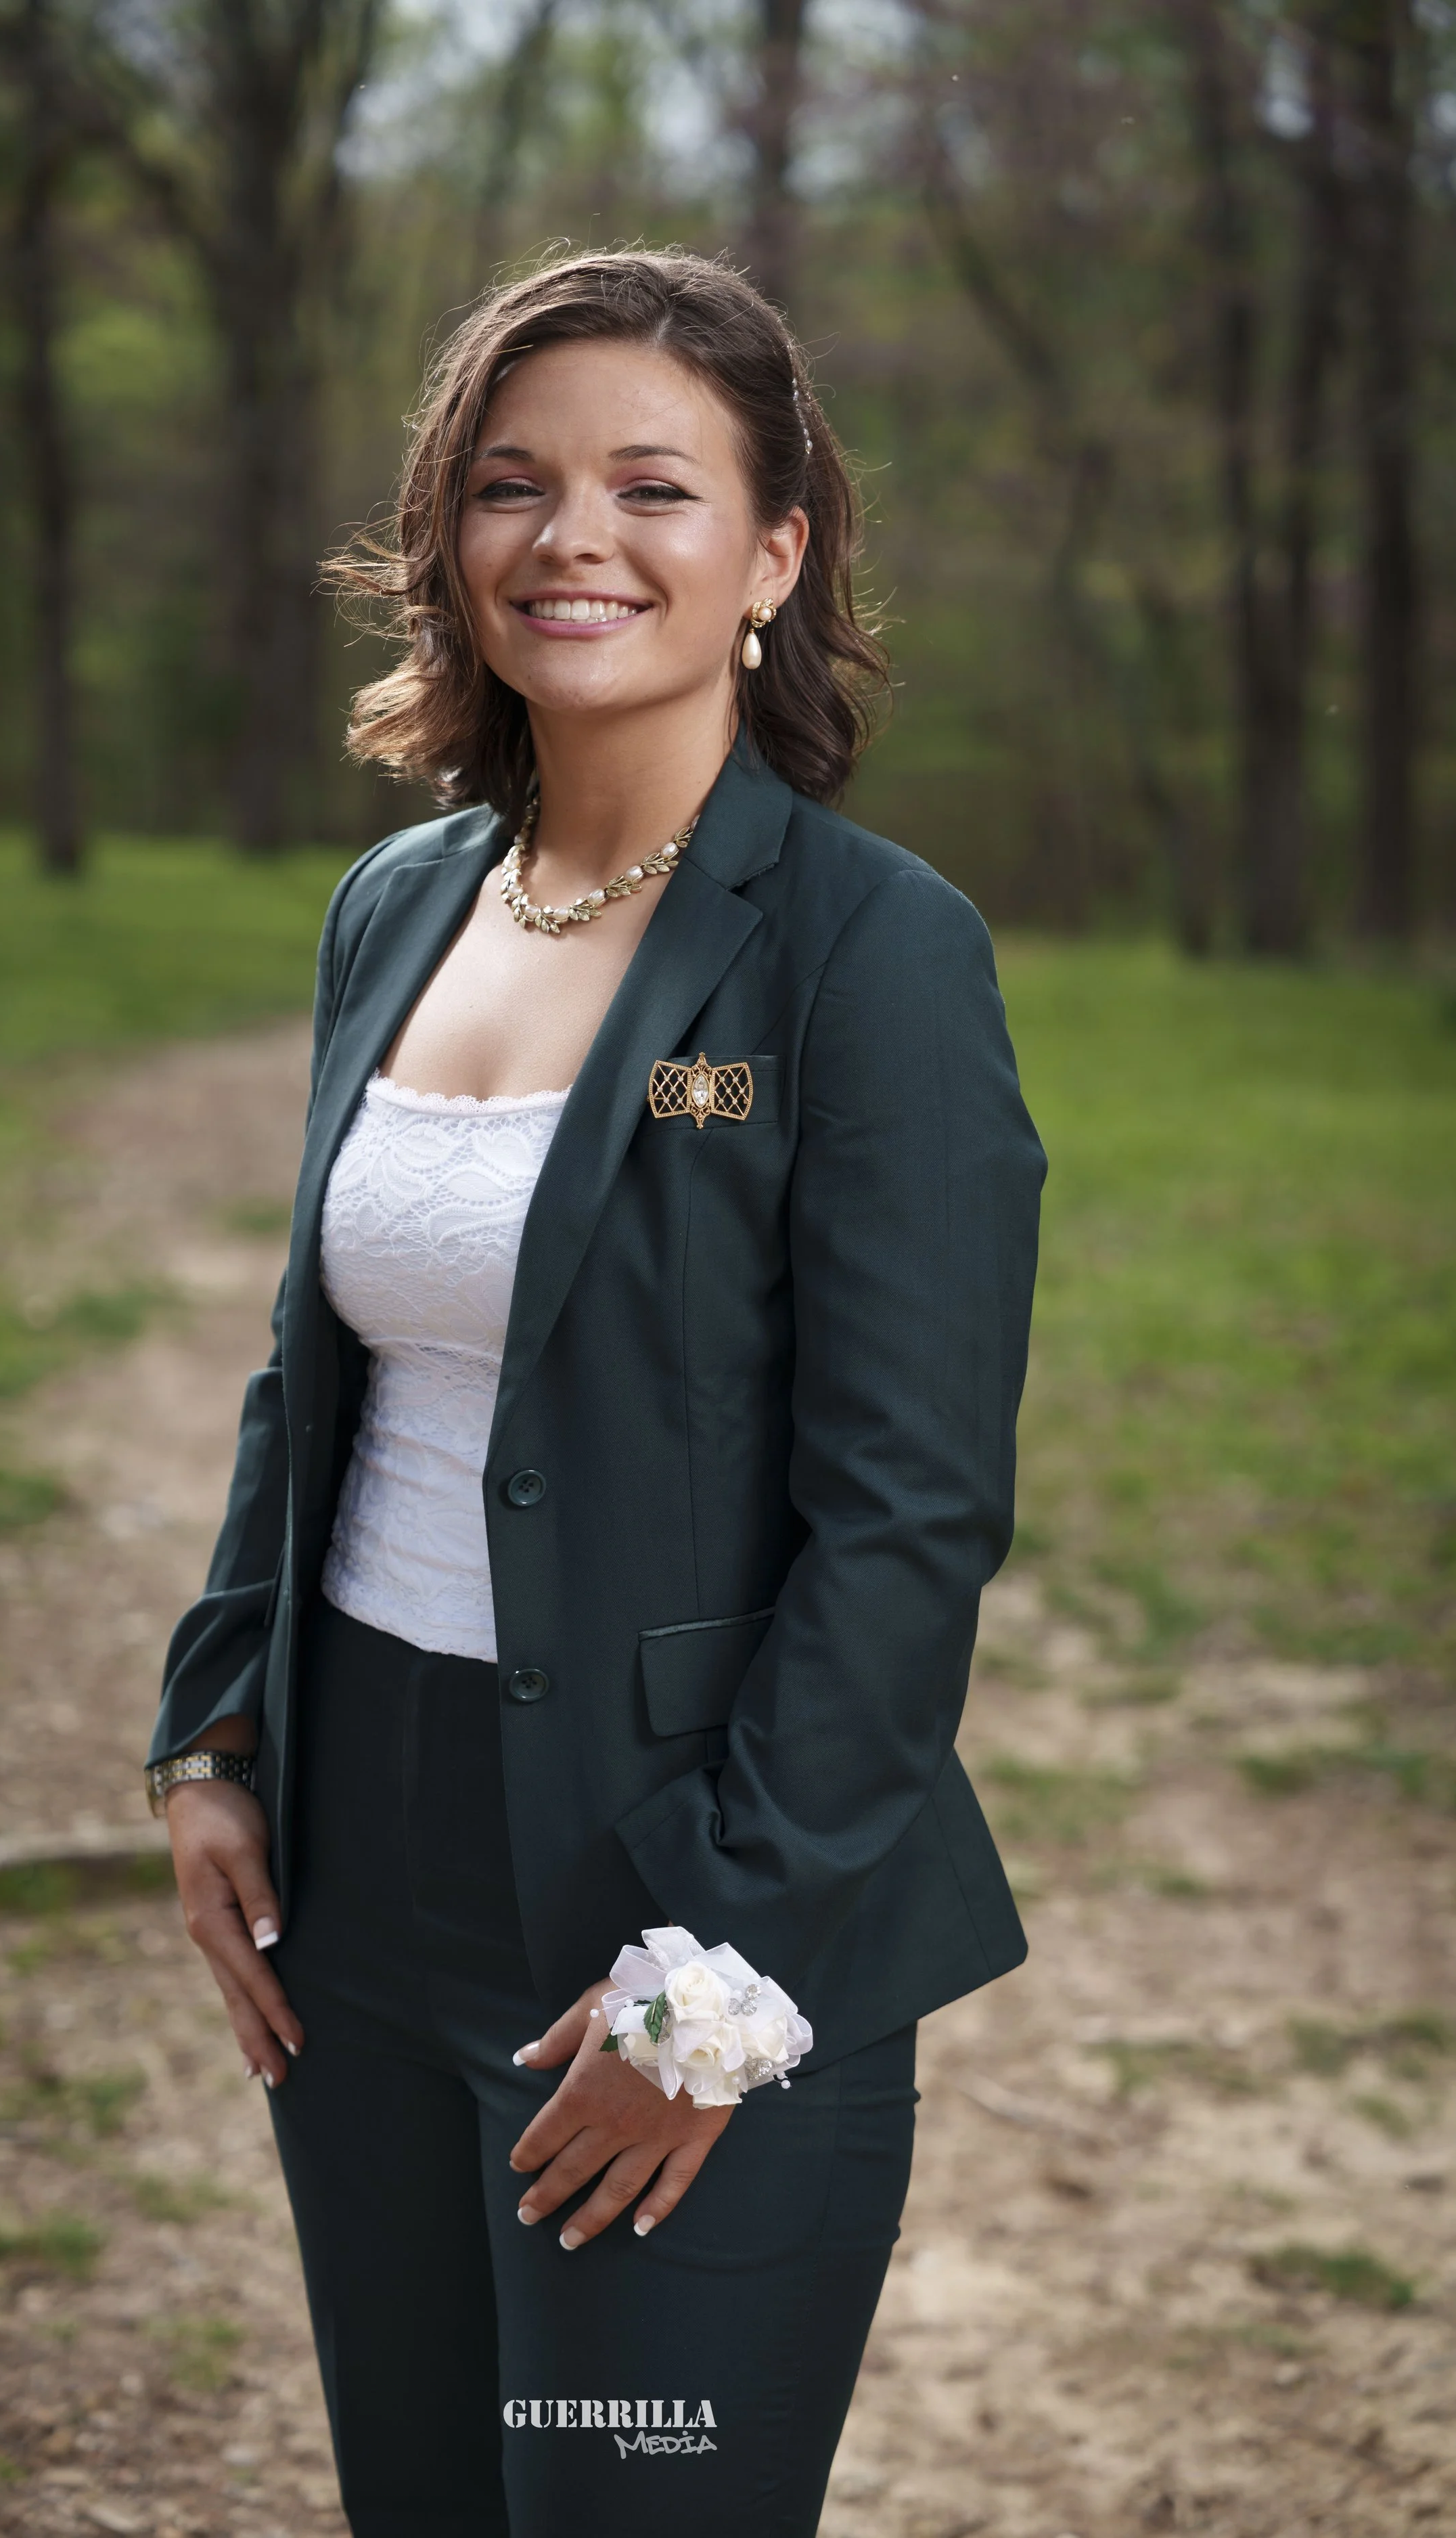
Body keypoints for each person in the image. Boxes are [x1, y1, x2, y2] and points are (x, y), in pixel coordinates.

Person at [143, 248, 1046, 2538]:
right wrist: (216, 1726)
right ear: (449, 539)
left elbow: (906, 1520)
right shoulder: (398, 906)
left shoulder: (868, 954)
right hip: (358, 1873)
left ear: (772, 555)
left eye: (656, 485)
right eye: (514, 484)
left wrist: (711, 1977)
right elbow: (312, 1362)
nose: (577, 537)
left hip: (670, 1894)